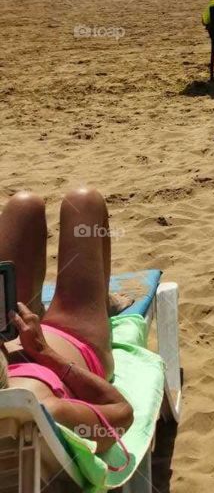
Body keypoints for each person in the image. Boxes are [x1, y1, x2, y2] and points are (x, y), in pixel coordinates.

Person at [0, 188, 134, 457]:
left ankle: (35, 307)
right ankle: (100, 305)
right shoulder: (42, 411)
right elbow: (122, 414)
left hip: (14, 332)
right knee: (84, 203)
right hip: (72, 335)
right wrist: (44, 352)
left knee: (24, 206)